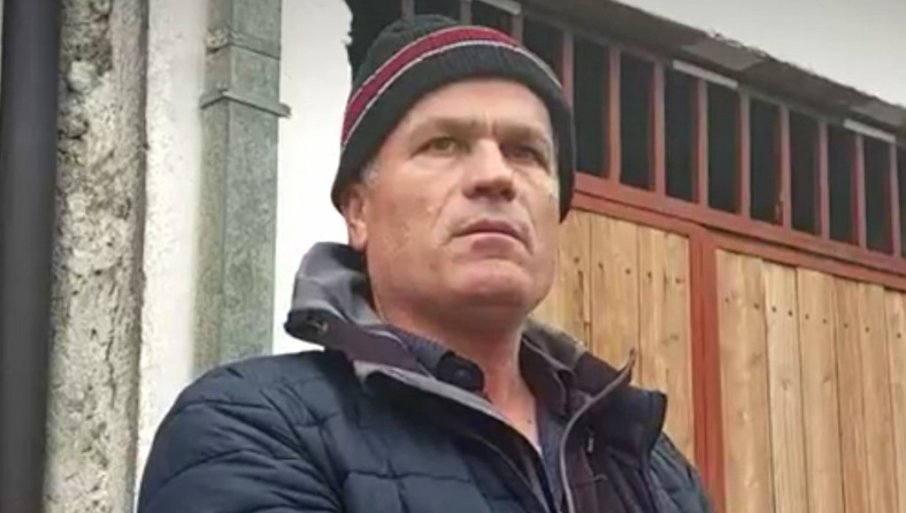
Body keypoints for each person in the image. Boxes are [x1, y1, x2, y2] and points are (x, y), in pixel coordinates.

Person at [137, 15, 713, 513]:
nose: (496, 176)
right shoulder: (251, 428)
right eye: (443, 145)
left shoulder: (652, 463)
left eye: (525, 152)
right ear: (358, 212)